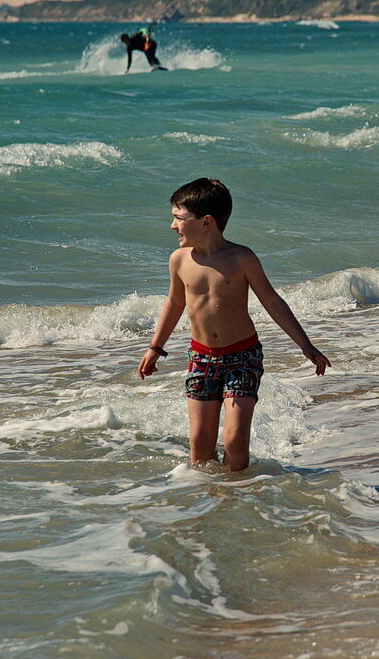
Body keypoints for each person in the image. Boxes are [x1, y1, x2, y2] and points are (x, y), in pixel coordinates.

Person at [137, 178, 330, 471]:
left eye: (179, 218)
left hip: (242, 356)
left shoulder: (242, 258)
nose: (172, 226)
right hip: (201, 358)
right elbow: (174, 304)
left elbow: (272, 301)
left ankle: (238, 496)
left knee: (235, 440)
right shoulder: (179, 260)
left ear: (207, 222)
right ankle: (209, 503)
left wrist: (305, 345)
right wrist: (155, 348)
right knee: (200, 445)